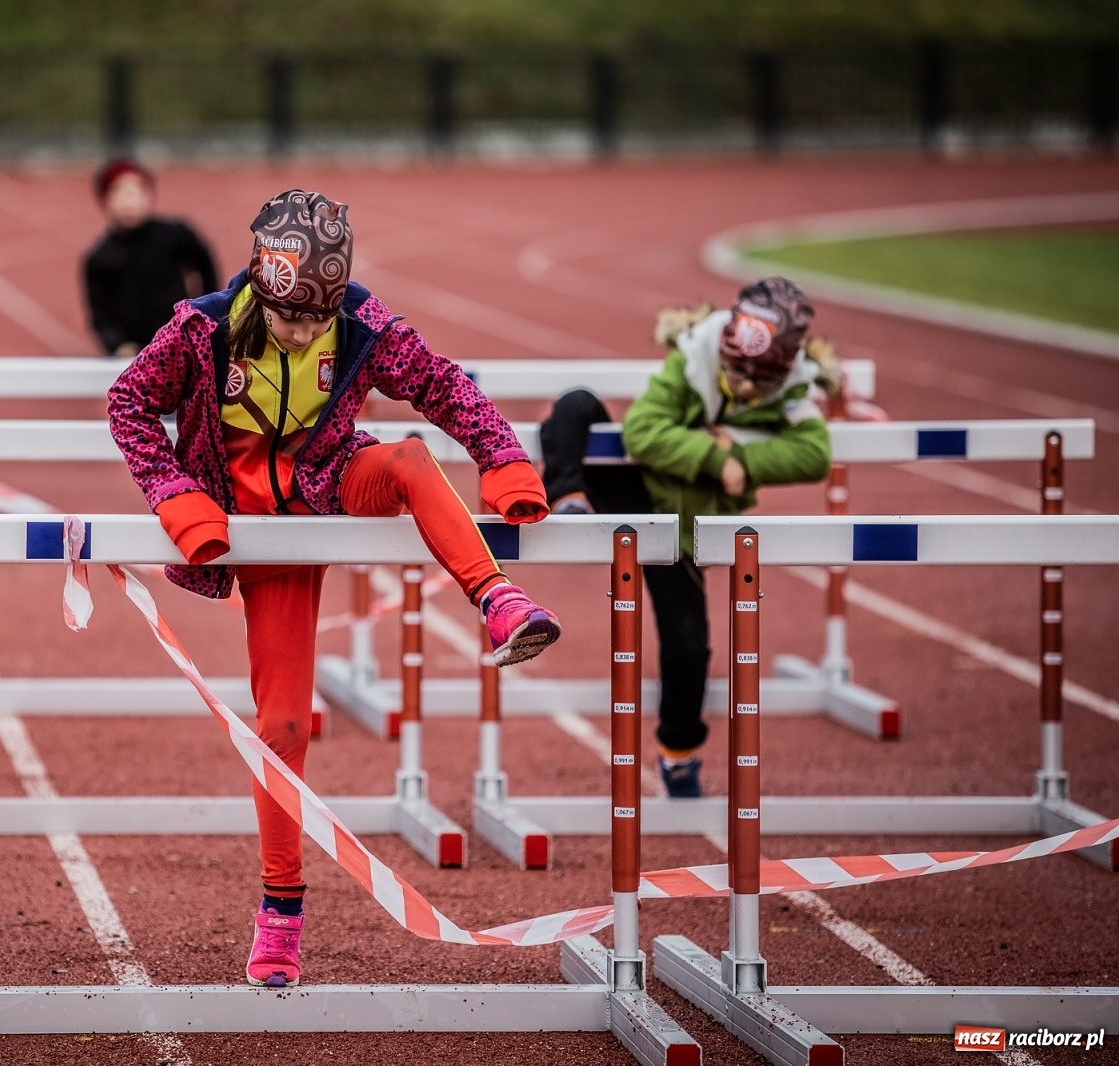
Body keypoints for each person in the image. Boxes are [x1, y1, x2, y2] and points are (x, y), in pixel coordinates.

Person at [109, 189, 560, 988]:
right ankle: (280, 912)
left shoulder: (360, 322)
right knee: (282, 724)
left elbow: (444, 384)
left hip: (330, 483)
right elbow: (129, 405)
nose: (309, 332)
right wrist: (177, 496)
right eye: (293, 321)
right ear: (261, 288)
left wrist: (503, 458)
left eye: (321, 319)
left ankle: (498, 601)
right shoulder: (201, 329)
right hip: (248, 529)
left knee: (414, 459)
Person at [539, 277, 835, 799]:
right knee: (575, 405)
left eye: (756, 382)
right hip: (633, 494)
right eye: (734, 373)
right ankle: (565, 497)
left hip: (682, 536)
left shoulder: (794, 394)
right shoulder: (691, 358)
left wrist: (741, 454)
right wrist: (717, 460)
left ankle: (679, 754)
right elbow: (643, 432)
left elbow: (814, 455)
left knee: (689, 646)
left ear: (785, 370)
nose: (743, 387)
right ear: (720, 351)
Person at [82, 160, 220, 357]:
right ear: (106, 200)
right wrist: (119, 345)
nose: (130, 201)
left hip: (182, 341)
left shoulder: (176, 234)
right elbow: (101, 315)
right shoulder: (99, 258)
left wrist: (210, 311)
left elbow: (205, 264)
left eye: (137, 192)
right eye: (120, 193)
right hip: (138, 354)